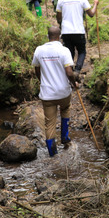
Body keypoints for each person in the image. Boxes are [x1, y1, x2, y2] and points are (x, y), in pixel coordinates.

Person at [32, 25, 77, 156]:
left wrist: (43, 81)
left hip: (47, 94)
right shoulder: (64, 51)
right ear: (60, 37)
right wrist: (74, 83)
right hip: (63, 92)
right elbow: (69, 72)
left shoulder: (39, 50)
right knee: (65, 109)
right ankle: (65, 138)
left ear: (48, 36)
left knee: (49, 124)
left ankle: (53, 154)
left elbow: (36, 68)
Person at [56, 0, 99, 75]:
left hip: (66, 32)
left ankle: (69, 73)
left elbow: (58, 16)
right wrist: (95, 4)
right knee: (82, 51)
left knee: (69, 53)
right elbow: (91, 14)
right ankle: (77, 70)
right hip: (79, 30)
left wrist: (61, 22)